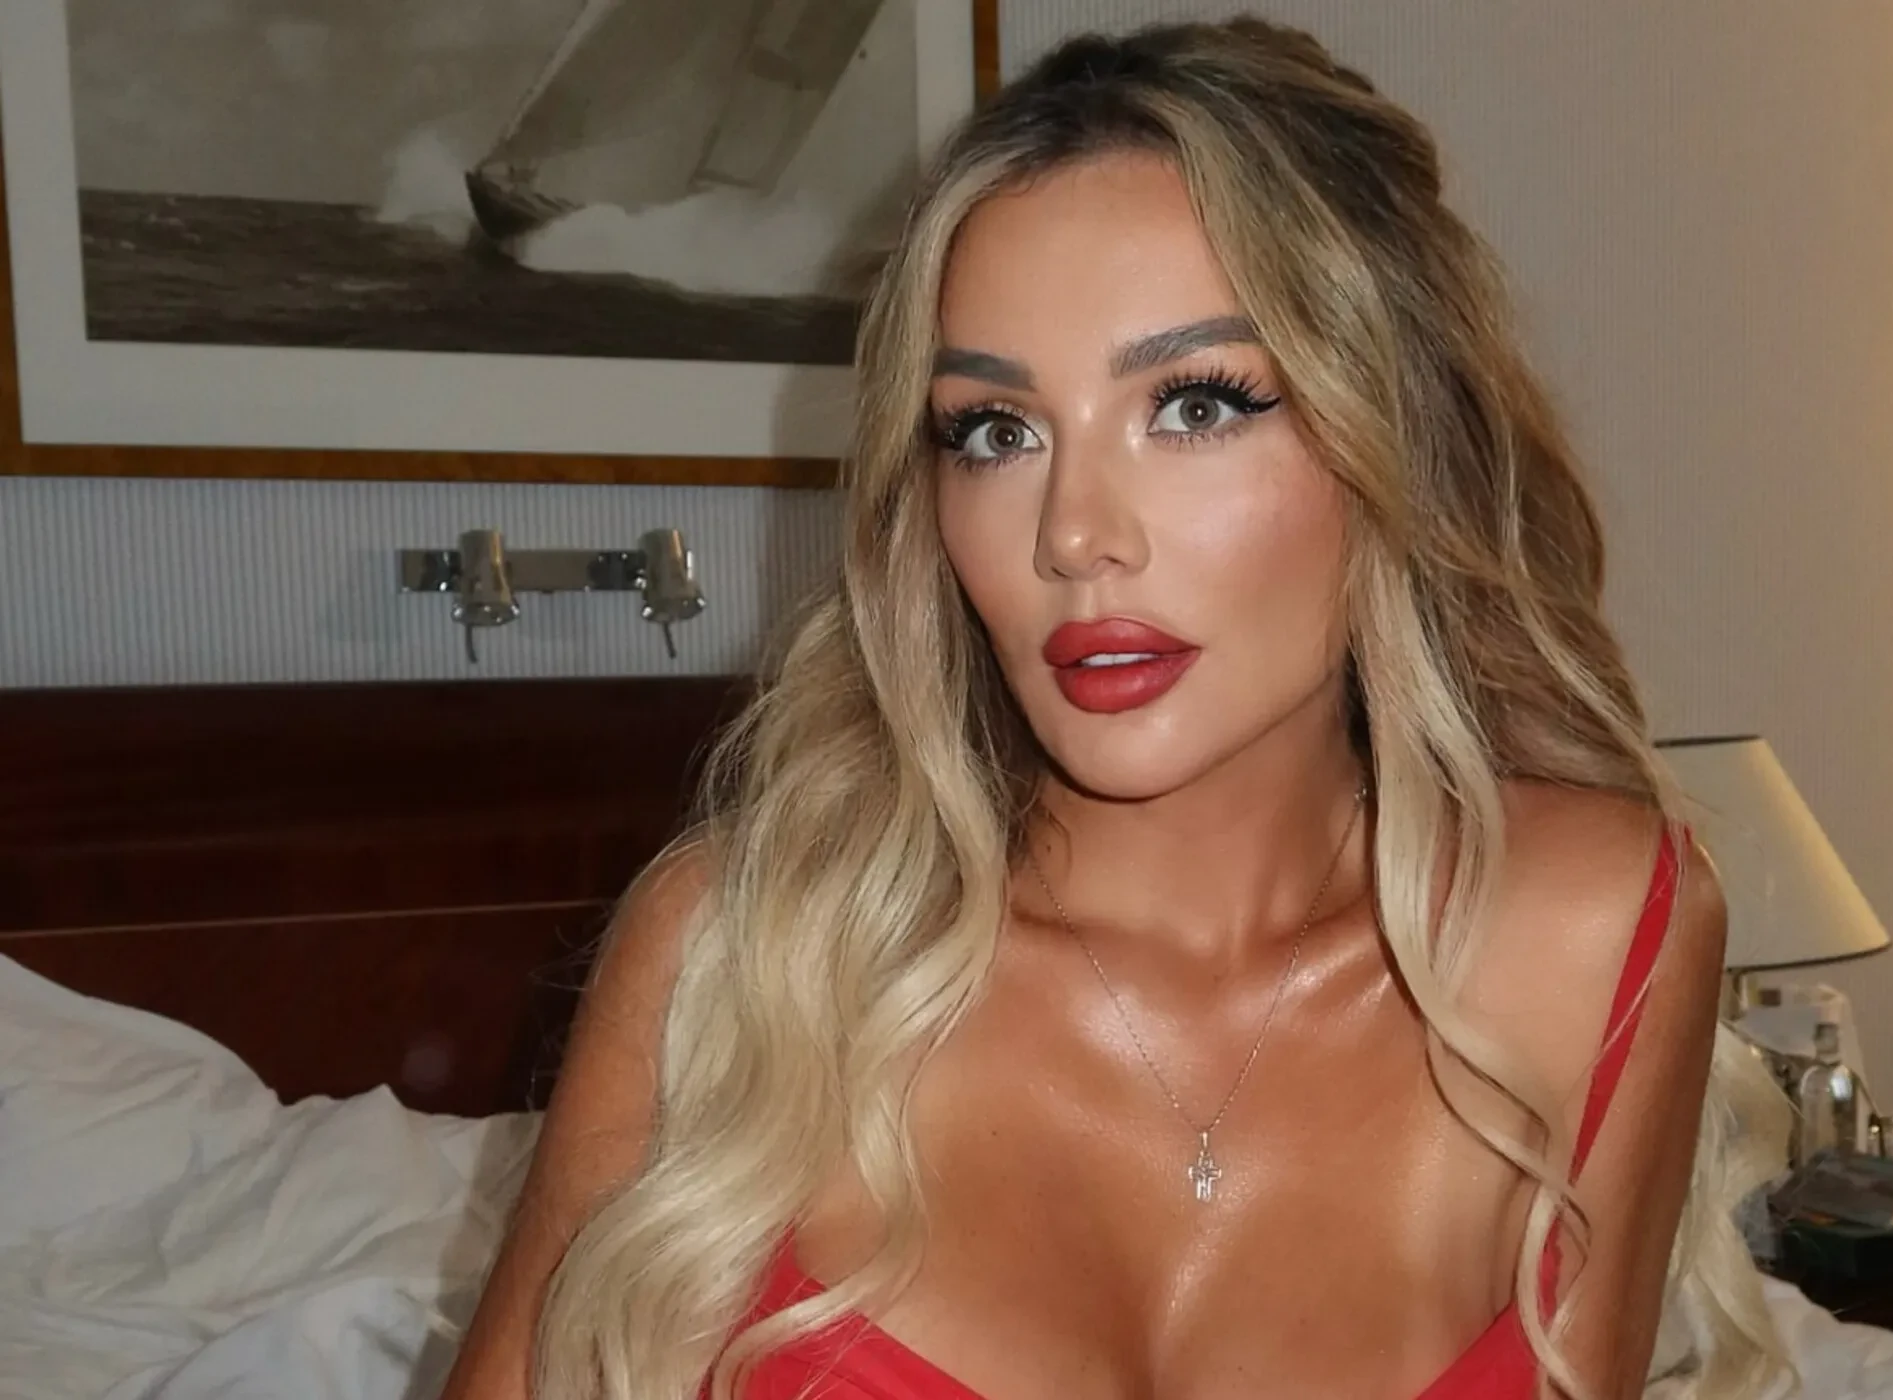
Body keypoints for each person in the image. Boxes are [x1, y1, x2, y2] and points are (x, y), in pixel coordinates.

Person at [442, 18, 1791, 1400]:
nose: (1074, 534)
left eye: (1195, 406)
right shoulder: (745, 960)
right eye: (995, 432)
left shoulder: (1599, 931)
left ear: (1397, 429)